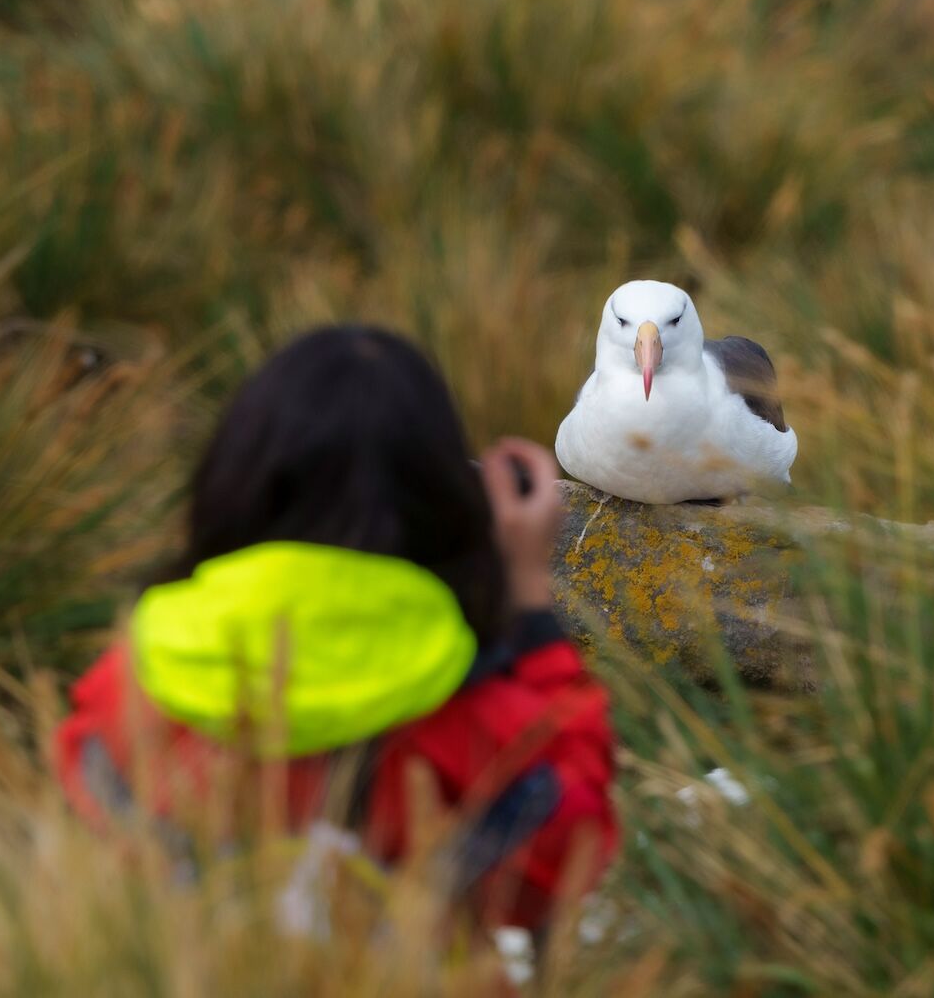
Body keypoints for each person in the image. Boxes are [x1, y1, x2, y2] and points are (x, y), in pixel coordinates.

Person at [53, 326, 617, 935]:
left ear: (233, 485)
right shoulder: (478, 719)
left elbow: (85, 856)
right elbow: (575, 850)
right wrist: (528, 599)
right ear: (450, 506)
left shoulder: (131, 682)